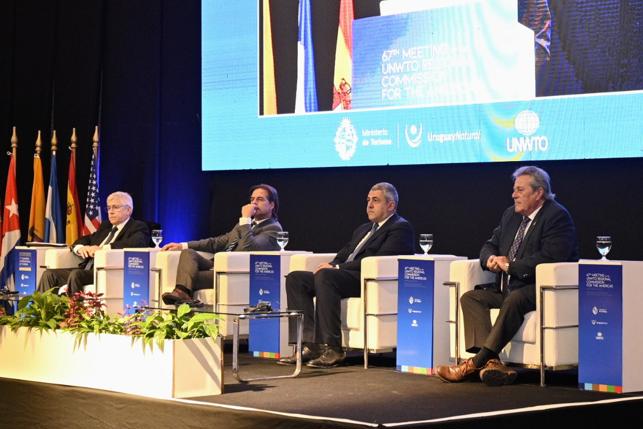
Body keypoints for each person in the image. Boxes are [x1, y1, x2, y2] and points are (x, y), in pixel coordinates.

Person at [436, 166, 578, 386]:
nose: (514, 195)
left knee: (515, 299)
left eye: (520, 190)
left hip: (537, 289)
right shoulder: (510, 214)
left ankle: (474, 363)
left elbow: (551, 257)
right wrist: (490, 259)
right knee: (471, 298)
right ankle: (492, 364)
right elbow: (489, 245)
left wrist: (510, 266)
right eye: (514, 190)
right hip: (507, 287)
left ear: (539, 192)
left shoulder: (556, 216)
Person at [279, 182, 414, 368]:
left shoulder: (400, 228)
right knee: (296, 279)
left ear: (391, 205)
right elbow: (343, 254)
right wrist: (334, 264)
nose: (369, 205)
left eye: (376, 200)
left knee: (326, 276)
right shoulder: (364, 229)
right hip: (343, 276)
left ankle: (333, 348)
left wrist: (336, 268)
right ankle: (308, 345)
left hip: (366, 280)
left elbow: (382, 259)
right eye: (368, 200)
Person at [161, 184, 282, 305]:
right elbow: (217, 242)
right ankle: (183, 293)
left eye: (260, 199)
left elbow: (248, 248)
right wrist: (182, 245)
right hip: (217, 264)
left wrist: (246, 219)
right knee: (188, 253)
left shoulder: (273, 228)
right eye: (252, 199)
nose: (254, 203)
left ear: (272, 205)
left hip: (233, 270)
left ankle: (182, 292)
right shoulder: (244, 224)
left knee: (188, 277)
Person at [38, 191, 150, 295]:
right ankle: (41, 308)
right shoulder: (106, 226)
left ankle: (74, 309)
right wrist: (80, 247)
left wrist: (102, 249)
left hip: (106, 271)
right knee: (49, 274)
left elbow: (137, 243)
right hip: (87, 269)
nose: (110, 212)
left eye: (115, 207)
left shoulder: (137, 226)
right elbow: (86, 239)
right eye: (109, 207)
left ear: (128, 210)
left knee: (76, 274)